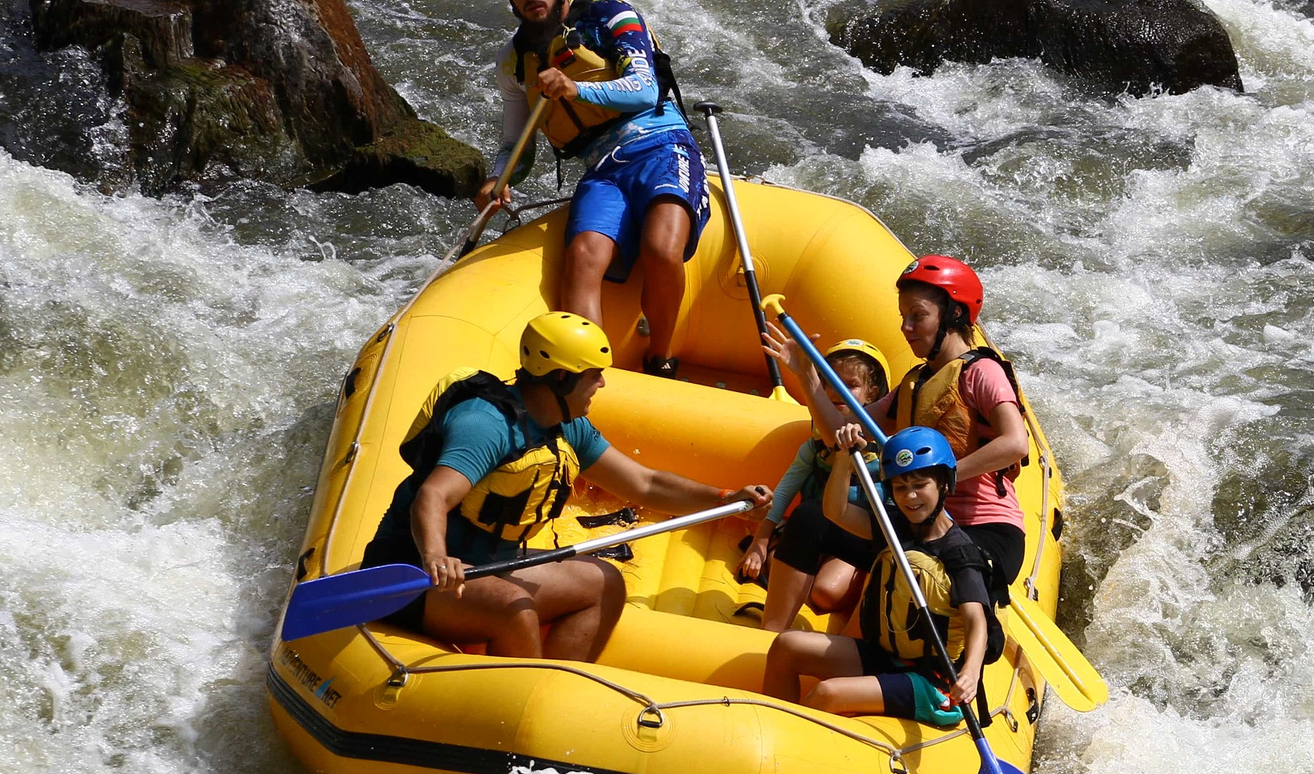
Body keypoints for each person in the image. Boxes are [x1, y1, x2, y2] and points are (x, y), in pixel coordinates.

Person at [362, 311, 768, 658]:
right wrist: (436, 557)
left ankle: (557, 684)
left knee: (605, 582)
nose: (602, 385)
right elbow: (432, 496)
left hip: (491, 566)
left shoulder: (566, 424)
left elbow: (644, 484)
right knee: (515, 608)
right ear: (560, 377)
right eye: (593, 375)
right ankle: (519, 707)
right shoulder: (485, 426)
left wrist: (724, 497)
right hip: (417, 573)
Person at [477, 0, 708, 377]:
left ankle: (661, 359)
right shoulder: (513, 60)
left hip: (662, 144)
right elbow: (515, 145)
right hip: (602, 168)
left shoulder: (613, 16)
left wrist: (577, 86)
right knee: (583, 257)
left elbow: (644, 90)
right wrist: (497, 179)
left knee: (662, 250)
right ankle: (587, 375)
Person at [771, 254, 1032, 594]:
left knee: (921, 565)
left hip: (984, 529)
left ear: (954, 314)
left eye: (918, 316)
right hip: (919, 522)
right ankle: (773, 637)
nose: (905, 327)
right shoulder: (915, 382)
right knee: (809, 519)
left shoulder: (981, 372)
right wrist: (807, 378)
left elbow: (1015, 443)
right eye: (903, 316)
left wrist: (945, 475)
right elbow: (839, 431)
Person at [760, 428, 1002, 727]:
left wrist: (970, 673)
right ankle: (769, 728)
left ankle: (786, 751)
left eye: (920, 485)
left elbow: (976, 620)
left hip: (934, 680)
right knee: (786, 647)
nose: (910, 496)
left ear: (943, 483)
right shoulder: (894, 528)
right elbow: (834, 512)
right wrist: (844, 459)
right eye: (900, 487)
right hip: (886, 656)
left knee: (828, 693)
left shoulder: (960, 554)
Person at [742, 339, 892, 631]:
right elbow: (785, 489)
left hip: (855, 540)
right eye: (830, 382)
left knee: (826, 593)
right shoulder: (817, 443)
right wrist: (760, 541)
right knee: (775, 557)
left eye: (851, 384)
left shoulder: (885, 451)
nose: (836, 391)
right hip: (816, 532)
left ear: (873, 392)